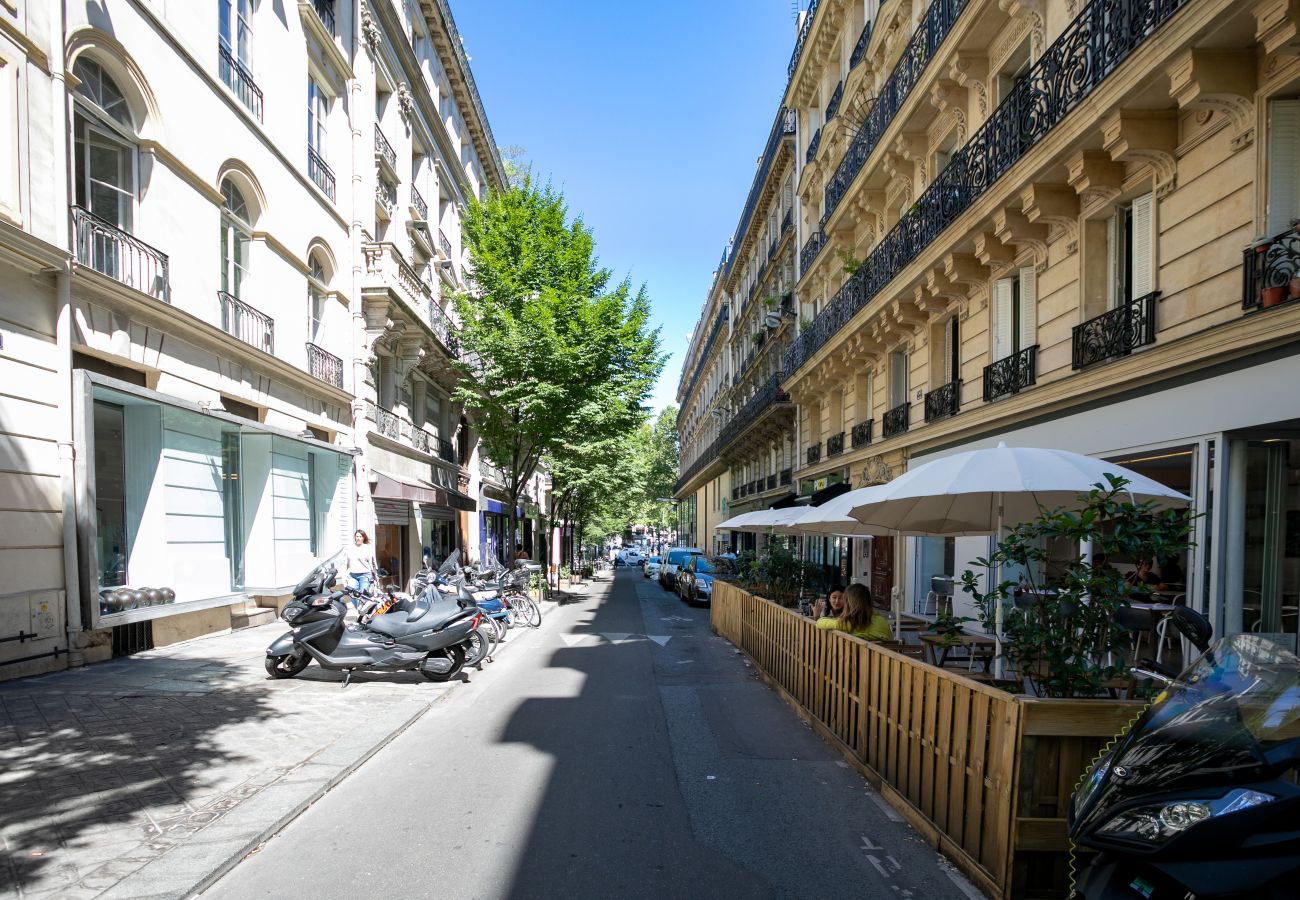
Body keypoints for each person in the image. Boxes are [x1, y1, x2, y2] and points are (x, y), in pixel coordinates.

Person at [816, 582, 894, 642]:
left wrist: (817, 617)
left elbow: (819, 622)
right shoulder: (881, 621)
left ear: (849, 603)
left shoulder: (849, 623)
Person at [346, 529, 376, 594]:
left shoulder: (367, 548)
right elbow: (346, 563)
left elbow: (373, 563)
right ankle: (356, 605)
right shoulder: (350, 548)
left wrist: (375, 575)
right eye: (357, 536)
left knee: (363, 595)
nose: (358, 538)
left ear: (363, 538)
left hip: (365, 575)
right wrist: (345, 575)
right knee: (353, 594)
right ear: (355, 537)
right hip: (353, 575)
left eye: (360, 536)